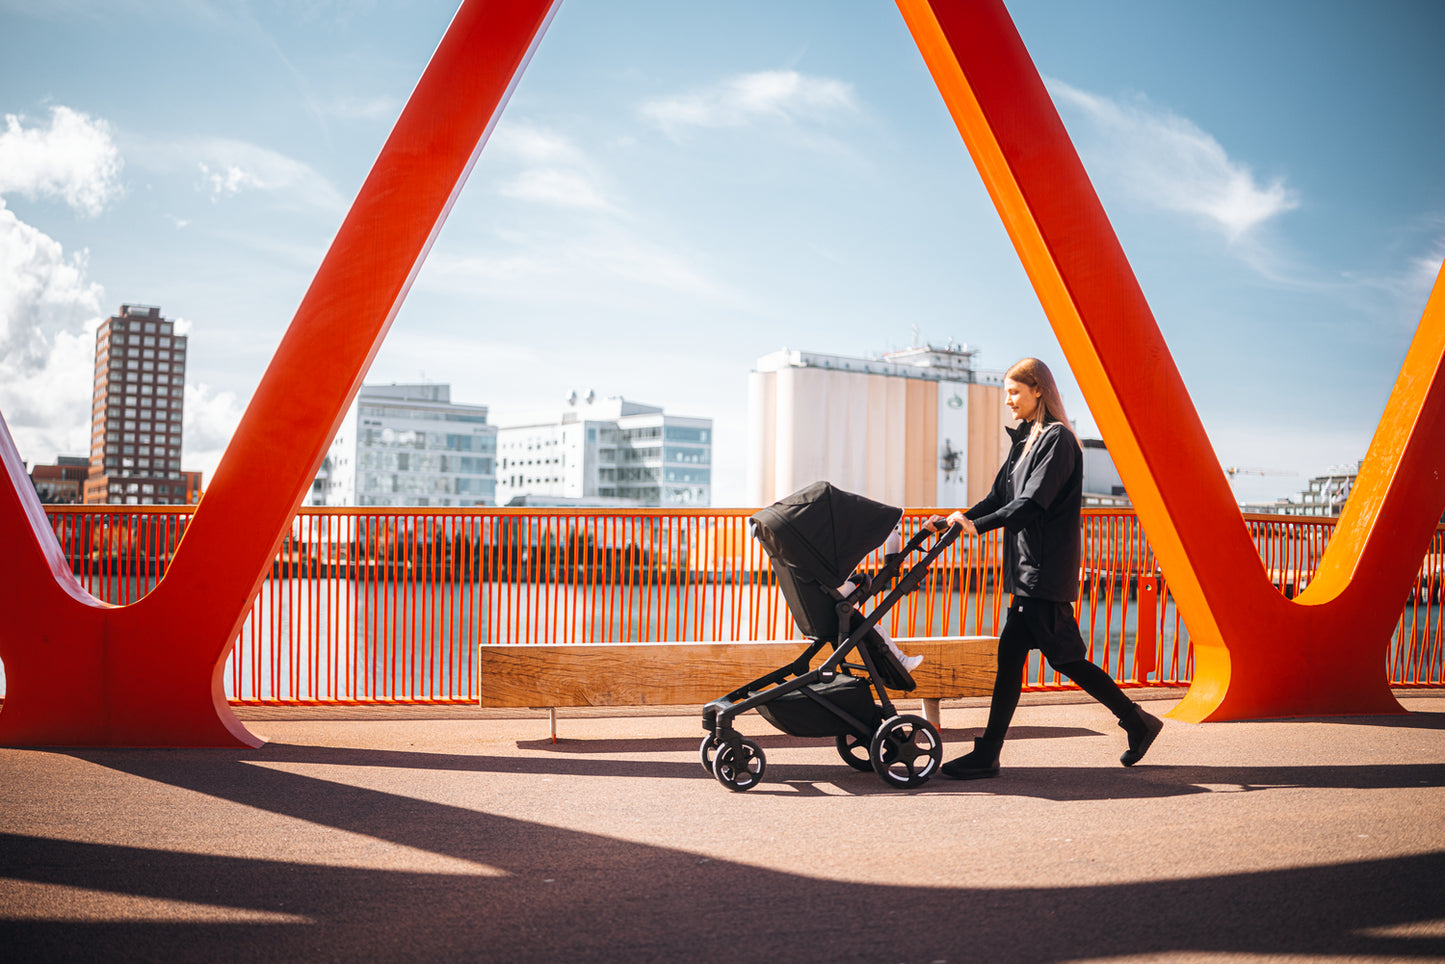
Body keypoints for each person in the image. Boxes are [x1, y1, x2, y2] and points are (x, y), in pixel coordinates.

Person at [925, 358, 1162, 779]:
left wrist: (976, 527)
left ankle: (1136, 721)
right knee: (1021, 659)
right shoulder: (1024, 441)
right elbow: (998, 498)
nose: (1008, 400)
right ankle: (991, 752)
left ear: (1038, 389)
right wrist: (954, 521)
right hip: (1027, 573)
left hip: (1044, 572)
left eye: (1014, 392)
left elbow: (1031, 504)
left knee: (1064, 659)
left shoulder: (1058, 440)